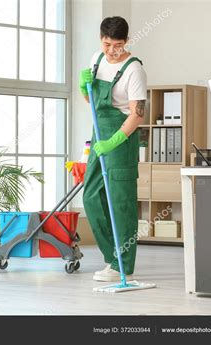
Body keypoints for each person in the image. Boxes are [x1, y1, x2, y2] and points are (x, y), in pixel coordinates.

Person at [78, 16, 147, 282]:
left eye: (118, 45)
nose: (112, 51)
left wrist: (114, 141)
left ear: (127, 42)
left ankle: (122, 265)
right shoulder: (97, 59)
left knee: (121, 204)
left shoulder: (134, 70)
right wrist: (83, 87)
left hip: (121, 139)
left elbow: (137, 114)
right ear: (101, 39)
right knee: (91, 197)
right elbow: (92, 102)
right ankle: (111, 258)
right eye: (108, 44)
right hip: (99, 136)